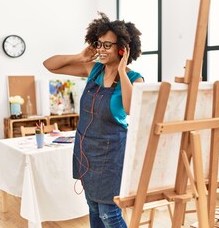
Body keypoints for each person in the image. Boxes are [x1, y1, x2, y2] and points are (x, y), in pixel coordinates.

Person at [43, 12, 144, 228]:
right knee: (94, 209)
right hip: (87, 151)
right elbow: (49, 64)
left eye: (108, 45)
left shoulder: (135, 78)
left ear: (123, 48)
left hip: (112, 157)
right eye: (99, 44)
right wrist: (80, 57)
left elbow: (130, 108)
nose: (101, 49)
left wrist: (122, 72)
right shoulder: (93, 69)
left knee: (110, 214)